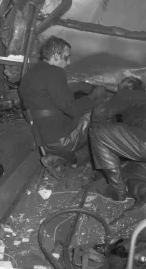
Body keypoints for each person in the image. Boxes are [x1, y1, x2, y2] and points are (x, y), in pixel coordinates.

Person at [19, 36, 105, 175]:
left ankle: (63, 158)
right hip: (61, 140)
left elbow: (51, 94)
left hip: (42, 137)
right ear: (56, 56)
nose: (69, 62)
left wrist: (84, 86)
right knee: (99, 113)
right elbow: (73, 109)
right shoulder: (55, 72)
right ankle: (87, 163)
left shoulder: (32, 72)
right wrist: (94, 95)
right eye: (67, 57)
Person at [90, 76, 146, 201]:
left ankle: (117, 190)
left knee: (96, 132)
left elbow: (100, 110)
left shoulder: (128, 94)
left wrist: (103, 130)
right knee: (132, 170)